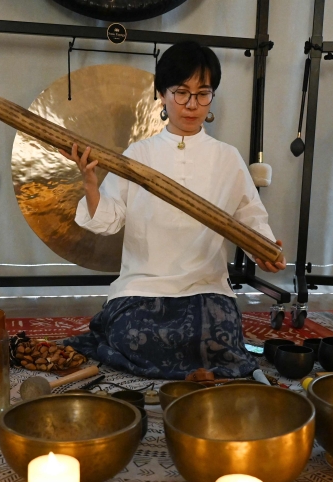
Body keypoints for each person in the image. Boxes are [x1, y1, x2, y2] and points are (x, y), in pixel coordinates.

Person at [60, 41, 286, 379]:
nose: (192, 104)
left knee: (216, 340)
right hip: (145, 285)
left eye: (202, 93)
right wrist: (90, 182)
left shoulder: (227, 157)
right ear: (162, 94)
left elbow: (251, 217)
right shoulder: (138, 155)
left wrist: (264, 250)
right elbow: (108, 220)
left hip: (205, 285)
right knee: (133, 337)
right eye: (181, 92)